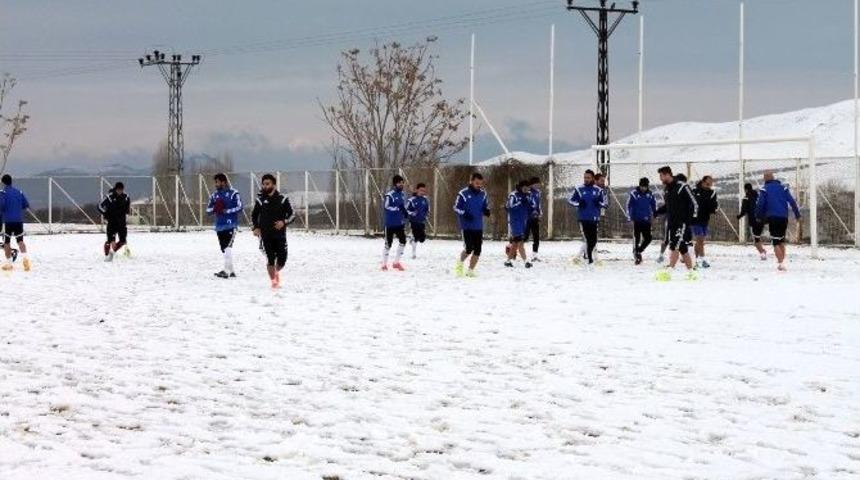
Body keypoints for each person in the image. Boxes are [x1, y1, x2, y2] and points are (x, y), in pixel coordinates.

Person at [251, 173, 295, 289]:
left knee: (282, 260)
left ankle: (275, 272)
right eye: (263, 184)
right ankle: (274, 282)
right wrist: (256, 227)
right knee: (270, 259)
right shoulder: (260, 200)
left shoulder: (283, 199)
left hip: (280, 236)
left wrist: (284, 222)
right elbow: (254, 215)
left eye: (267, 184)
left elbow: (292, 215)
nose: (265, 186)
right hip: (265, 236)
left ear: (274, 185)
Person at [654, 168, 699, 280]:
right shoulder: (667, 190)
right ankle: (691, 273)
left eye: (661, 176)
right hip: (672, 223)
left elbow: (695, 203)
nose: (660, 179)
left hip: (682, 223)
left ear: (667, 175)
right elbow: (668, 207)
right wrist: (657, 212)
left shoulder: (683, 187)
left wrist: (690, 220)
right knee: (682, 248)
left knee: (675, 245)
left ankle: (668, 272)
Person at [755, 171, 801, 272]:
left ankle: (781, 264)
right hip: (784, 217)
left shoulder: (764, 189)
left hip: (773, 217)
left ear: (765, 179)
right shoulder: (783, 188)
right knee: (781, 241)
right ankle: (782, 262)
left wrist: (758, 216)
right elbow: (792, 202)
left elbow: (760, 205)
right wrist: (797, 215)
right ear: (774, 178)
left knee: (775, 242)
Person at [206, 173, 243, 278]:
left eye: (217, 182)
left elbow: (240, 207)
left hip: (231, 225)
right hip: (219, 226)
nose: (215, 184)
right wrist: (215, 209)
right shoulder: (214, 195)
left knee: (228, 247)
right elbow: (208, 210)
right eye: (215, 182)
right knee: (224, 248)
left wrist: (226, 211)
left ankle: (226, 271)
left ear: (224, 182)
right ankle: (231, 271)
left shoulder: (234, 193)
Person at [453, 172, 490, 277]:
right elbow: (456, 207)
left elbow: (484, 206)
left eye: (480, 183)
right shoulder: (463, 193)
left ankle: (470, 270)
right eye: (477, 183)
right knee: (469, 248)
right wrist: (464, 213)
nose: (479, 185)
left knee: (478, 250)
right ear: (471, 181)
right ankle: (459, 265)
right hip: (467, 226)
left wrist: (486, 211)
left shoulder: (483, 194)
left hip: (478, 226)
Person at [568, 169, 606, 267]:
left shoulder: (598, 190)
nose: (586, 179)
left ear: (593, 178)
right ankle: (590, 258)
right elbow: (571, 200)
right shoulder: (579, 188)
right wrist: (578, 203)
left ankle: (584, 257)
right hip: (583, 218)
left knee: (593, 240)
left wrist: (599, 203)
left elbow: (605, 203)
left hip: (594, 218)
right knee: (588, 239)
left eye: (588, 177)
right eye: (585, 177)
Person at [0, 175, 30, 271]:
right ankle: (25, 259)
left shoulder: (2, 193)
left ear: (3, 182)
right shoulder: (19, 192)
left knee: (7, 242)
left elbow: (2, 206)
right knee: (20, 241)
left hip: (7, 221)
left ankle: (9, 264)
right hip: (18, 220)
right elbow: (26, 205)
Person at [627, 177, 657, 265]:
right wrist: (629, 216)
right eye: (642, 186)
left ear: (647, 186)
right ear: (639, 185)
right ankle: (637, 256)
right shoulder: (634, 194)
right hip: (637, 220)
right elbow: (628, 205)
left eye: (645, 186)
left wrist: (655, 212)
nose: (643, 188)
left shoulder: (650, 194)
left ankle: (639, 250)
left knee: (648, 238)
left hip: (646, 220)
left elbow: (653, 204)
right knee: (637, 238)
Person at [98, 181, 131, 262]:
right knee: (110, 241)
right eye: (118, 190)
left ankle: (112, 253)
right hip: (112, 223)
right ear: (115, 189)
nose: (120, 191)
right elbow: (99, 206)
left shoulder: (126, 197)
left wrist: (126, 214)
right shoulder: (109, 197)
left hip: (122, 223)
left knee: (123, 241)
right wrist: (106, 214)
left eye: (121, 190)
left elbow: (127, 209)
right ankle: (107, 255)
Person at [504, 180, 534, 269]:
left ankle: (508, 261)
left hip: (523, 221)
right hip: (515, 221)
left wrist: (534, 212)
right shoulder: (513, 195)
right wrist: (520, 202)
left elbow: (530, 207)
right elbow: (509, 207)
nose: (526, 189)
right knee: (520, 242)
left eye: (528, 188)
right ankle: (526, 261)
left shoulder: (528, 195)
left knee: (515, 243)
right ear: (521, 187)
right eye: (525, 188)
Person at [381, 175, 408, 271]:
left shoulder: (403, 194)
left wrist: (405, 213)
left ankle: (396, 262)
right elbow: (386, 207)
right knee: (388, 244)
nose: (401, 184)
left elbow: (403, 206)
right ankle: (384, 264)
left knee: (403, 241)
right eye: (399, 183)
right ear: (395, 184)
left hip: (399, 224)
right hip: (390, 224)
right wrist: (397, 209)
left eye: (402, 182)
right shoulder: (390, 195)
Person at [692, 175, 719, 268]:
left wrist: (714, 209)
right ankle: (702, 260)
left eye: (710, 184)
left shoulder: (712, 193)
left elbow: (714, 206)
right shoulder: (694, 191)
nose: (709, 186)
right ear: (703, 182)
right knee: (699, 239)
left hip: (705, 219)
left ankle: (696, 259)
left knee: (700, 240)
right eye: (707, 184)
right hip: (695, 219)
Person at [737, 183, 767, 261]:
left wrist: (739, 216)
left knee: (756, 239)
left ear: (745, 189)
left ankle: (762, 253)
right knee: (758, 236)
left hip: (754, 221)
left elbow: (744, 211)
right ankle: (763, 250)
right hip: (762, 219)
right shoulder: (758, 196)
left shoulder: (746, 198)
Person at [406, 182, 430, 260]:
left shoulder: (425, 200)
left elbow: (427, 209)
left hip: (421, 221)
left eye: (423, 191)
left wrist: (426, 214)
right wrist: (412, 213)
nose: (422, 192)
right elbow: (406, 210)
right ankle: (413, 253)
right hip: (413, 221)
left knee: (422, 239)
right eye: (421, 190)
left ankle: (413, 239)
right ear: (417, 190)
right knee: (416, 237)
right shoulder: (411, 200)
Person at [523, 177, 542, 262]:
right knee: (525, 237)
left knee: (536, 237)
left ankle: (535, 255)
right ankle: (513, 250)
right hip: (527, 218)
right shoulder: (527, 192)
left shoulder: (538, 192)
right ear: (531, 184)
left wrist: (540, 213)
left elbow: (538, 204)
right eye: (536, 184)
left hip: (535, 218)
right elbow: (527, 204)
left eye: (538, 183)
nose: (538, 185)